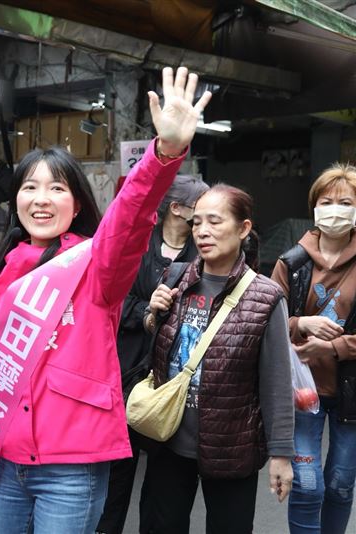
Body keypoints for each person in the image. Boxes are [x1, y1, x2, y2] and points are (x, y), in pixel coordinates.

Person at [0, 65, 212, 534]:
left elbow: (129, 218)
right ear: (16, 200)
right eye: (29, 187)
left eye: (56, 188)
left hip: (72, 467)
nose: (41, 199)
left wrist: (164, 154)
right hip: (6, 463)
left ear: (77, 202)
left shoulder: (96, 265)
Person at [139, 184, 294, 534]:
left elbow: (276, 382)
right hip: (169, 438)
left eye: (214, 221)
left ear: (243, 228)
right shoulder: (176, 277)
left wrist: (281, 454)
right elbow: (159, 351)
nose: (202, 231)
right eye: (196, 223)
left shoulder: (265, 297)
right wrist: (153, 314)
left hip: (231, 446)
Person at [97, 174, 208, 534]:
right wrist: (149, 308)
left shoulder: (204, 253)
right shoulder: (137, 245)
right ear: (176, 208)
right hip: (125, 372)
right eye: (201, 208)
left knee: (166, 483)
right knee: (115, 474)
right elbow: (111, 301)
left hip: (173, 381)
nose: (207, 219)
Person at [271, 163, 356, 534]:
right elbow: (265, 320)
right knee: (307, 486)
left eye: (346, 202)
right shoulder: (291, 263)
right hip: (302, 390)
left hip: (351, 393)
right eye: (327, 202)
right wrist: (299, 325)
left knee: (340, 483)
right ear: (314, 207)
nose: (335, 209)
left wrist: (333, 347)